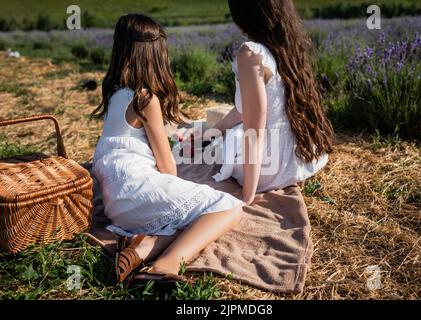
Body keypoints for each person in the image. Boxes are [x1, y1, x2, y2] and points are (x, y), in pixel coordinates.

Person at [91, 14, 243, 283]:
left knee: (184, 217)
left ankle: (143, 248)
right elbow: (166, 165)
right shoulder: (145, 98)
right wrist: (178, 191)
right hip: (137, 189)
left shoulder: (116, 93)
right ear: (155, 54)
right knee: (228, 207)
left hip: (117, 204)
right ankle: (167, 264)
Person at [207, 0, 334, 205]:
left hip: (268, 168)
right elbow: (245, 111)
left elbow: (254, 129)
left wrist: (248, 194)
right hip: (301, 158)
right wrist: (211, 131)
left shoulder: (250, 53)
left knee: (221, 147)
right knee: (218, 137)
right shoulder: (285, 47)